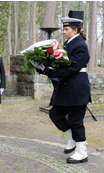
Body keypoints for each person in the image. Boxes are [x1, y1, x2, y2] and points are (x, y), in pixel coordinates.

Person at [34, 11, 91, 164]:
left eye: (66, 29)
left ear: (76, 30)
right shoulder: (68, 44)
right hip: (66, 88)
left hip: (77, 89)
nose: (64, 32)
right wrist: (43, 66)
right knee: (55, 114)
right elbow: (61, 65)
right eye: (64, 29)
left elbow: (71, 69)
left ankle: (82, 152)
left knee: (75, 121)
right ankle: (72, 140)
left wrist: (50, 70)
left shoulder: (80, 46)